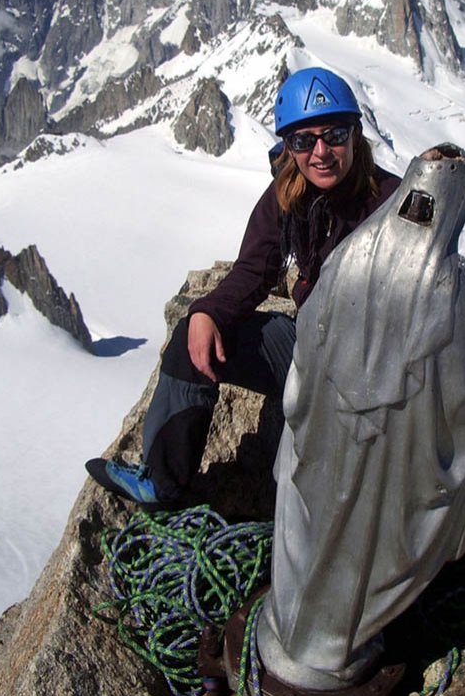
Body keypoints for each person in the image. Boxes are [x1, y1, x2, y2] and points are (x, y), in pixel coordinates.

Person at [86, 67, 402, 506]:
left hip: (372, 371)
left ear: (355, 135)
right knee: (192, 341)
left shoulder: (391, 202)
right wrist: (208, 312)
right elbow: (255, 270)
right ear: (288, 147)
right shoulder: (287, 195)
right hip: (308, 348)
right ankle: (163, 481)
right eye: (303, 140)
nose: (321, 151)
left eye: (334, 134)